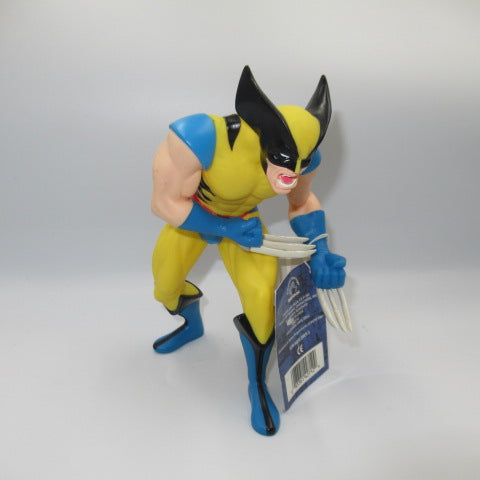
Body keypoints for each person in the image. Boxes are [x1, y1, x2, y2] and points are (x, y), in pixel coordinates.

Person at [150, 66, 347, 436]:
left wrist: (320, 250)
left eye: (302, 163)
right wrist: (221, 227)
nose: (292, 174)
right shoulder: (201, 138)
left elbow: (301, 203)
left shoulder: (305, 156)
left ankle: (256, 384)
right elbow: (164, 202)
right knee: (164, 286)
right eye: (285, 160)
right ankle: (192, 324)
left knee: (262, 301)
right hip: (194, 219)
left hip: (244, 225)